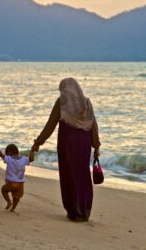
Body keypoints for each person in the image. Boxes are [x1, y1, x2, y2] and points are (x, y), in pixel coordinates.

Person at [31, 78, 101, 222]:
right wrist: (96, 145)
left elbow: (51, 123)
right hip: (84, 143)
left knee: (69, 174)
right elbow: (93, 124)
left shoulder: (62, 101)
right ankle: (85, 211)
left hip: (68, 142)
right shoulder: (86, 102)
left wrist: (38, 142)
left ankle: (74, 211)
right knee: (83, 174)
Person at [0, 142, 35, 212]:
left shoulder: (9, 158)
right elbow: (31, 159)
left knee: (4, 190)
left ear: (9, 152)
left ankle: (9, 202)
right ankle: (13, 208)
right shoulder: (24, 159)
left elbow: (0, 154)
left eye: (7, 153)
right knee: (17, 197)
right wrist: (32, 151)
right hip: (20, 184)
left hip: (10, 183)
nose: (6, 155)